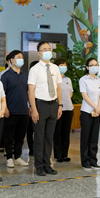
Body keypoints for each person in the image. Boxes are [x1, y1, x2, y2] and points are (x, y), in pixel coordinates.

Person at [28, 41, 63, 177]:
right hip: (40, 105)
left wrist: (60, 105)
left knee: (49, 138)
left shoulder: (55, 68)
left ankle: (47, 165)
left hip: (53, 104)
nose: (48, 51)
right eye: (45, 49)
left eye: (49, 49)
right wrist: (34, 109)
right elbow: (31, 91)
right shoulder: (35, 69)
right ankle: (39, 166)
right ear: (39, 53)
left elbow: (58, 88)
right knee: (39, 137)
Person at [1, 50, 30, 168]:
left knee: (20, 136)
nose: (21, 59)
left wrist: (30, 106)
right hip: (11, 110)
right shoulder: (6, 76)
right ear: (11, 60)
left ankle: (17, 157)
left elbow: (29, 92)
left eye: (22, 57)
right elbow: (2, 94)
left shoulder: (25, 75)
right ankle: (9, 157)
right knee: (9, 135)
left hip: (24, 110)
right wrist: (5, 108)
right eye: (18, 57)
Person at [79, 58, 100, 169]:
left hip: (97, 112)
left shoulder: (98, 79)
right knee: (86, 137)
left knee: (94, 137)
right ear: (87, 67)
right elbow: (85, 96)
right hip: (87, 111)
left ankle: (93, 160)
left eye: (96, 64)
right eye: (92, 65)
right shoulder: (83, 80)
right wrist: (95, 107)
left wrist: (99, 108)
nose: (94, 67)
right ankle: (85, 161)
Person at [54, 59, 74, 163]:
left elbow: (71, 92)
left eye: (64, 65)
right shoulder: (54, 79)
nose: (63, 67)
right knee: (58, 132)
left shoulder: (68, 79)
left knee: (66, 133)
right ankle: (58, 155)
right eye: (61, 65)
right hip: (58, 108)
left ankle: (65, 154)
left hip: (69, 108)